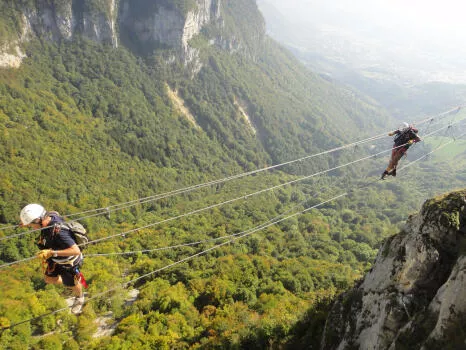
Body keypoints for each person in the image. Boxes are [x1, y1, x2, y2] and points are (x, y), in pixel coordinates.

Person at [20, 204, 86, 314]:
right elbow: (54, 212)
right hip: (55, 257)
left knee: (73, 283)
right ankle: (69, 284)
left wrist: (51, 252)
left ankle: (79, 297)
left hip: (68, 261)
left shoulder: (60, 232)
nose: (32, 227)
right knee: (48, 279)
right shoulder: (49, 217)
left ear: (38, 220)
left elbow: (76, 250)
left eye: (32, 225)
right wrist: (27, 222)